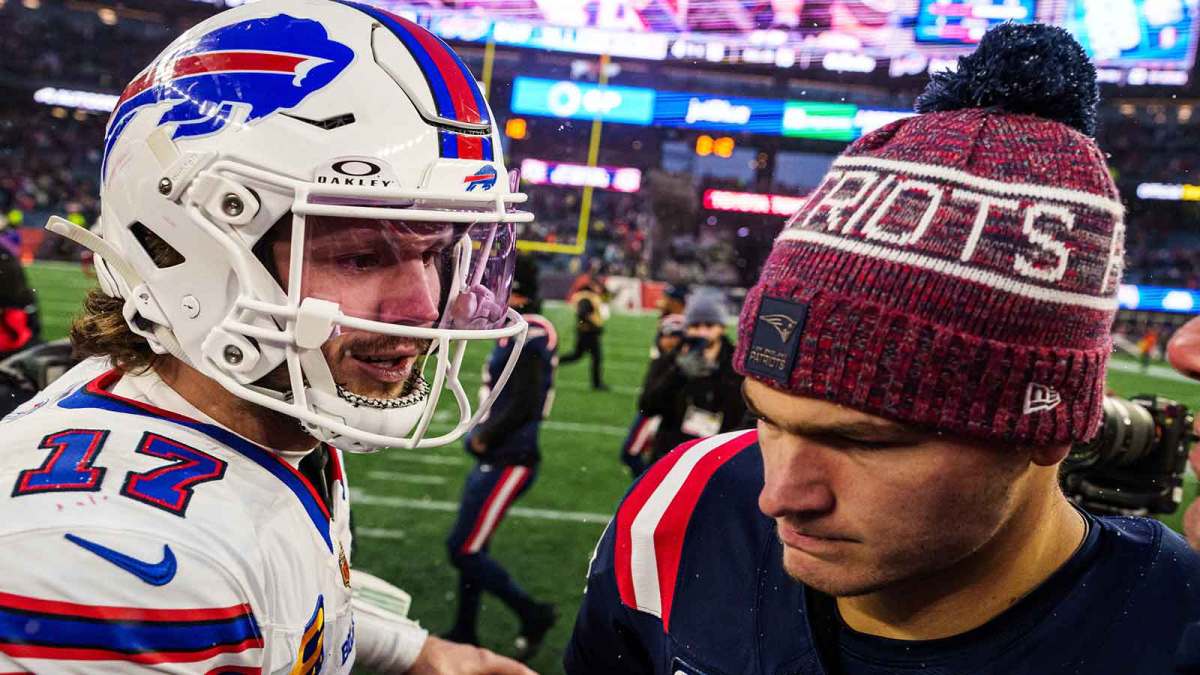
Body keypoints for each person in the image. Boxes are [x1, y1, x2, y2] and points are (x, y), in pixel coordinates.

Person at [565, 24, 1200, 675]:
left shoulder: (1174, 630)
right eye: (766, 418)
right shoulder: (686, 502)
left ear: (1046, 425)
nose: (780, 493)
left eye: (865, 440)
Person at [0, 2, 537, 673]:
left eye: (436, 251)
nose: (423, 307)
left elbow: (277, 598)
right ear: (182, 246)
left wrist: (416, 650)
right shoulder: (118, 562)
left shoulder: (262, 407)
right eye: (360, 255)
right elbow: (201, 587)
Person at [444, 255, 558, 661]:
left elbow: (525, 401)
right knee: (474, 546)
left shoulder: (534, 332)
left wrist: (483, 437)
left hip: (511, 457)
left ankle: (533, 613)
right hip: (498, 454)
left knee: (463, 549)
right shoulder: (516, 327)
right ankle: (464, 629)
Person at [636, 293, 746, 465]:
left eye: (709, 325)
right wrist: (678, 373)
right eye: (695, 325)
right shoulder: (670, 358)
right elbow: (647, 407)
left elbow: (743, 417)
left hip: (717, 457)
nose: (702, 331)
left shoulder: (738, 365)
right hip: (671, 454)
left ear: (722, 327)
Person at [620, 313, 686, 477]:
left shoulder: (683, 363)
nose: (669, 341)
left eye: (675, 336)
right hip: (653, 410)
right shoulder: (662, 359)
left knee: (632, 453)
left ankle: (650, 483)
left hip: (663, 415)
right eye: (665, 336)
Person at [559, 277, 608, 390]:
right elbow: (583, 313)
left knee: (577, 355)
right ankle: (597, 384)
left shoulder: (587, 295)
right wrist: (595, 325)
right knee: (596, 357)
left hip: (586, 331)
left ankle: (554, 361)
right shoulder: (586, 297)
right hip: (588, 332)